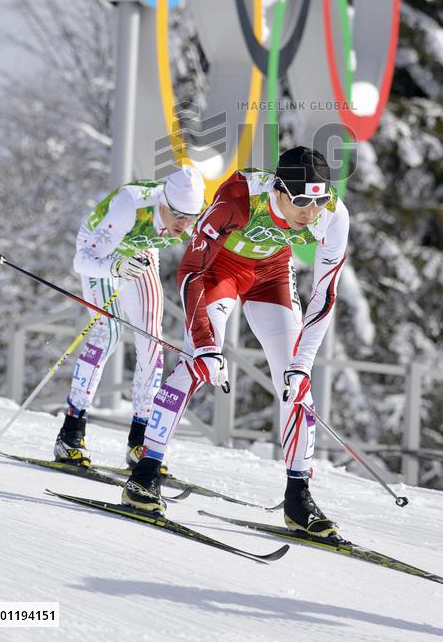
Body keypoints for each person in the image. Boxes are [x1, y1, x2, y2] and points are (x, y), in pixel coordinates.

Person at [123, 146, 349, 537]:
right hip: (218, 272)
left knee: (295, 382)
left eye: (320, 200)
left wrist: (303, 364)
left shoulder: (333, 214)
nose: (311, 213)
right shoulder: (238, 199)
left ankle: (299, 495)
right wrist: (207, 344)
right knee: (196, 362)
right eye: (300, 202)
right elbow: (191, 272)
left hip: (272, 275)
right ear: (278, 190)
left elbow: (325, 296)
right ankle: (145, 472)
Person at [54, 166, 205, 468]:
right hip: (101, 254)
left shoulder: (189, 218)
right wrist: (115, 268)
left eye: (191, 218)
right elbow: (82, 260)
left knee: (152, 339)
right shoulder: (130, 205)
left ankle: (140, 440)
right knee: (107, 333)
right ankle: (70, 432)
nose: (184, 224)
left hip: (140, 250)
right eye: (177, 216)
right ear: (163, 201)